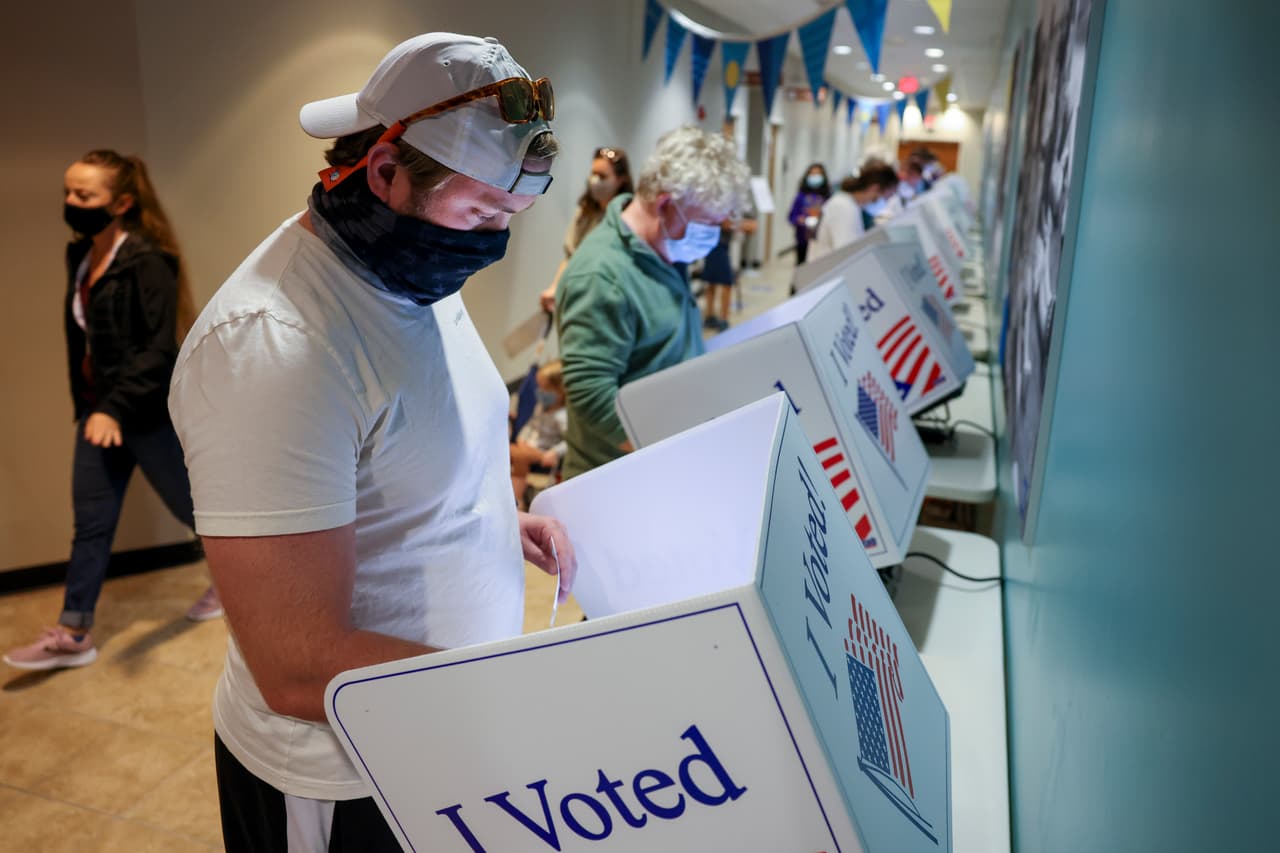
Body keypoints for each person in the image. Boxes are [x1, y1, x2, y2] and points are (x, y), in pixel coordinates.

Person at [166, 33, 576, 849]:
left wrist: (495, 517)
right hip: (342, 776)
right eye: (482, 214)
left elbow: (414, 432)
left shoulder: (411, 268)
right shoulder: (273, 348)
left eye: (509, 216)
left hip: (439, 727)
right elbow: (298, 664)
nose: (492, 242)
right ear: (385, 169)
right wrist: (520, 692)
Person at [4, 151, 219, 672]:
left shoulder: (148, 261)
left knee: (196, 510)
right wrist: (91, 409)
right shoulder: (79, 256)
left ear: (121, 203)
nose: (71, 204)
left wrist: (114, 408)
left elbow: (156, 350)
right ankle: (75, 631)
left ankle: (239, 582)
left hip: (142, 411)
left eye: (84, 195)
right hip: (100, 415)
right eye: (68, 193)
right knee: (92, 524)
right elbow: (86, 343)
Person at [555, 126, 750, 480]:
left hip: (665, 459)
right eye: (707, 223)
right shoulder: (602, 275)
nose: (712, 235)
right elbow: (591, 397)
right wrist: (670, 445)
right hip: (619, 478)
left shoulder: (662, 250)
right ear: (664, 204)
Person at [539, 146, 633, 312]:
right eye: (593, 174)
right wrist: (555, 288)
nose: (594, 181)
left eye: (602, 176)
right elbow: (570, 256)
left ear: (621, 180)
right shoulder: (585, 213)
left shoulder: (627, 219)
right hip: (579, 297)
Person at [809, 160, 900, 260]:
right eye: (887, 197)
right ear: (875, 188)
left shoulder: (848, 203)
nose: (886, 202)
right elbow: (847, 256)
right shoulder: (844, 208)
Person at [510, 360, 568, 508]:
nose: (539, 392)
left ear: (560, 391)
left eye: (544, 389)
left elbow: (568, 442)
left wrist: (554, 453)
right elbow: (530, 425)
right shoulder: (540, 407)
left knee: (516, 456)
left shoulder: (562, 416)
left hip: (542, 454)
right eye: (539, 387)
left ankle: (517, 501)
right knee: (510, 451)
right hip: (527, 446)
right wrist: (522, 437)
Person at [701, 217, 756, 331]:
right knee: (726, 283)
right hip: (716, 246)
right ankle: (722, 319)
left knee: (713, 282)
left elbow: (751, 227)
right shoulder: (719, 206)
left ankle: (710, 316)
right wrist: (741, 225)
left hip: (720, 246)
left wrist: (742, 225)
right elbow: (725, 223)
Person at [787, 163, 830, 265]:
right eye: (812, 174)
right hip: (803, 239)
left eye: (818, 174)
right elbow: (791, 216)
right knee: (802, 267)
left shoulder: (828, 197)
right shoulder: (801, 196)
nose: (815, 177)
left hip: (821, 241)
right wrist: (799, 220)